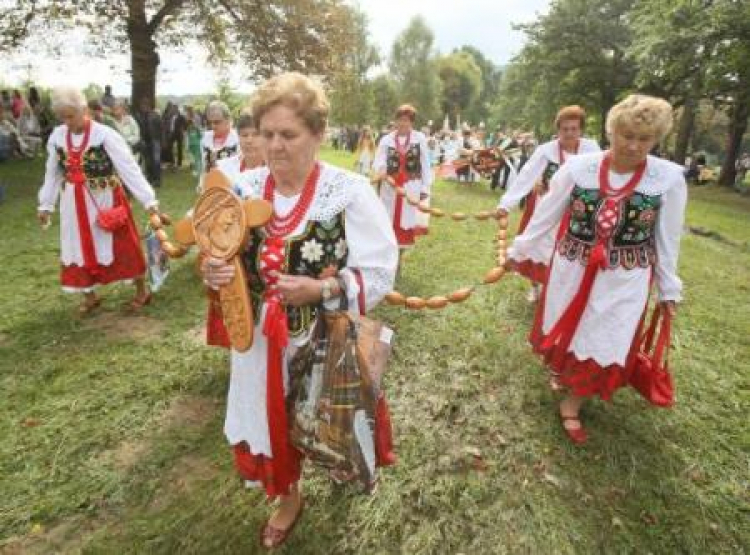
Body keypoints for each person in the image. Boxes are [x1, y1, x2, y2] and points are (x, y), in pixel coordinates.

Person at [200, 72, 398, 549]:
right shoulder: (240, 188)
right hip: (259, 344)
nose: (274, 145)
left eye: (288, 134)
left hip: (324, 338)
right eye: (266, 134)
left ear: (318, 134)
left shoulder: (347, 191)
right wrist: (212, 271)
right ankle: (289, 498)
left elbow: (380, 271)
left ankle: (331, 462)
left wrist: (322, 287)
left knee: (322, 419)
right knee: (272, 423)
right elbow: (214, 252)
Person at [507, 94, 687, 443]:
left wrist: (669, 288)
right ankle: (566, 373)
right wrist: (520, 249)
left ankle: (572, 403)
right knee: (568, 328)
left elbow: (668, 240)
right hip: (572, 268)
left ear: (655, 140)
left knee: (605, 337)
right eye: (626, 136)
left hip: (625, 278)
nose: (633, 146)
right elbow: (546, 215)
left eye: (644, 139)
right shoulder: (578, 169)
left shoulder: (667, 180)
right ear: (611, 131)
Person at [37, 86, 160, 313]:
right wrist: (46, 204)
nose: (67, 122)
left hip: (106, 200)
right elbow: (52, 173)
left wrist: (149, 201)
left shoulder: (105, 135)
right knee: (77, 246)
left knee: (122, 244)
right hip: (73, 203)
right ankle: (89, 295)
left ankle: (141, 291)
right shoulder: (57, 137)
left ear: (84, 110)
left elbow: (128, 168)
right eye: (62, 117)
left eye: (70, 116)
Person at [498, 106, 600, 301]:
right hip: (546, 206)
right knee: (538, 246)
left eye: (574, 128)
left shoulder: (591, 149)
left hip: (577, 211)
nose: (569, 133)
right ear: (558, 130)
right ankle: (535, 286)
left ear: (581, 130)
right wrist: (506, 204)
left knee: (565, 251)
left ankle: (556, 291)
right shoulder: (546, 151)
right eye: (565, 129)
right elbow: (526, 176)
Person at [373, 104, 432, 252]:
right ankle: (388, 251)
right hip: (390, 186)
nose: (402, 123)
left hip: (411, 186)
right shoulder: (386, 140)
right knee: (387, 219)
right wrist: (383, 171)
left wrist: (425, 187)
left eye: (406, 120)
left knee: (406, 221)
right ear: (395, 120)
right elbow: (378, 161)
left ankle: (400, 255)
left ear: (411, 122)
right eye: (400, 119)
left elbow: (425, 164)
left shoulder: (420, 139)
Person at [199, 100, 239, 191]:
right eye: (210, 122)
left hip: (232, 189)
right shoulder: (205, 139)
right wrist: (201, 184)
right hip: (209, 189)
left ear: (228, 120)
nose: (213, 126)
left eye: (217, 122)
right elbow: (204, 167)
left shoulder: (238, 139)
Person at [215, 113, 264, 183]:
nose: (249, 140)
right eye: (244, 135)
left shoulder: (275, 171)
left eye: (256, 135)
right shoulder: (225, 168)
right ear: (238, 137)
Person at [135, 98, 162, 188]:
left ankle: (157, 180)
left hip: (155, 140)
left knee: (156, 160)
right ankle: (150, 178)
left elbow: (161, 128)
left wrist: (163, 141)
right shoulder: (140, 116)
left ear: (147, 106)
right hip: (145, 141)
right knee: (148, 161)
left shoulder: (155, 115)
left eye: (143, 106)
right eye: (141, 106)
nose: (142, 108)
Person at [185, 106, 204, 177]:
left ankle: (198, 171)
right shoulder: (189, 129)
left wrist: (197, 128)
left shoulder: (196, 119)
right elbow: (187, 136)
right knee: (193, 158)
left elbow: (200, 135)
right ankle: (196, 169)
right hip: (191, 144)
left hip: (197, 143)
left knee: (197, 158)